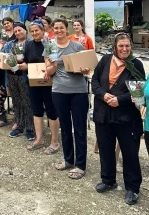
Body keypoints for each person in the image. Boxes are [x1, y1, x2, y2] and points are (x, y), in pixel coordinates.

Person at [92, 33, 145, 205]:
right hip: (104, 113)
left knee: (130, 153)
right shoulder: (105, 60)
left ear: (131, 47)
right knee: (106, 149)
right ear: (114, 47)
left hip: (126, 116)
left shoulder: (136, 65)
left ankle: (132, 188)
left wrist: (119, 100)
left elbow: (138, 91)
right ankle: (108, 180)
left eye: (127, 46)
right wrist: (104, 95)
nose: (124, 49)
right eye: (121, 46)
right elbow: (94, 82)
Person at [46, 18, 89, 179]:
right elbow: (48, 71)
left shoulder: (76, 46)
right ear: (53, 29)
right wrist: (54, 65)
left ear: (66, 29)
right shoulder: (49, 46)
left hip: (78, 91)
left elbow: (86, 68)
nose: (58, 30)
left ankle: (80, 165)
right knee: (65, 127)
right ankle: (68, 159)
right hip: (59, 91)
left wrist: (83, 69)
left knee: (79, 128)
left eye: (61, 28)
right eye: (55, 28)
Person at [18, 20, 60, 154]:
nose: (35, 33)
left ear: (43, 30)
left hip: (48, 82)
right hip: (33, 82)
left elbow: (54, 63)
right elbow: (24, 61)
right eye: (32, 31)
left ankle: (54, 141)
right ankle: (39, 139)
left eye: (37, 30)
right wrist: (17, 63)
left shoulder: (49, 44)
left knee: (51, 111)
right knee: (36, 110)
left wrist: (48, 70)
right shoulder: (29, 44)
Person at [0, 22, 35, 140]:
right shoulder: (10, 44)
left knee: (27, 102)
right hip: (11, 76)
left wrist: (24, 62)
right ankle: (19, 126)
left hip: (25, 76)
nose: (18, 33)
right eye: (15, 31)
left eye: (20, 30)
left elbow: (36, 59)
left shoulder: (31, 43)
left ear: (25, 30)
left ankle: (30, 128)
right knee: (16, 102)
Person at [0, 17, 16, 127]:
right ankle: (2, 116)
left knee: (18, 96)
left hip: (15, 73)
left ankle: (18, 119)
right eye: (4, 23)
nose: (6, 25)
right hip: (1, 73)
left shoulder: (17, 36)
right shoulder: (2, 36)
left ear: (12, 23)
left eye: (8, 23)